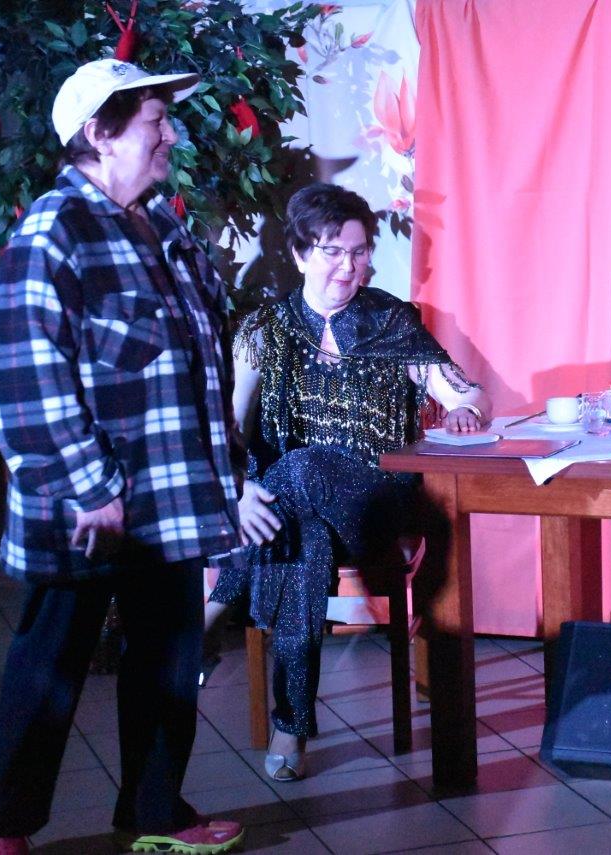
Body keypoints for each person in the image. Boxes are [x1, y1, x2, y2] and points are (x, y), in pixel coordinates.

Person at [0, 59, 245, 854]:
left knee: (167, 661)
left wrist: (226, 471)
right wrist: (90, 485)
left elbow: (198, 362)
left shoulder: (163, 226)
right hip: (90, 506)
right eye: (156, 121)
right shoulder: (56, 228)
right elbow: (11, 372)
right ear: (100, 134)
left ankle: (156, 812)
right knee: (50, 665)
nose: (171, 135)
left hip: (170, 494)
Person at [205, 182, 491, 783]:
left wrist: (467, 408)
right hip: (290, 516)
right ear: (300, 254)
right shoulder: (264, 329)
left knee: (301, 468)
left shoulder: (389, 319)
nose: (348, 266)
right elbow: (229, 425)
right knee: (301, 543)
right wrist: (238, 489)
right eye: (332, 251)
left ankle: (211, 612)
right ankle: (290, 726)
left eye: (359, 252)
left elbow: (465, 392)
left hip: (378, 502)